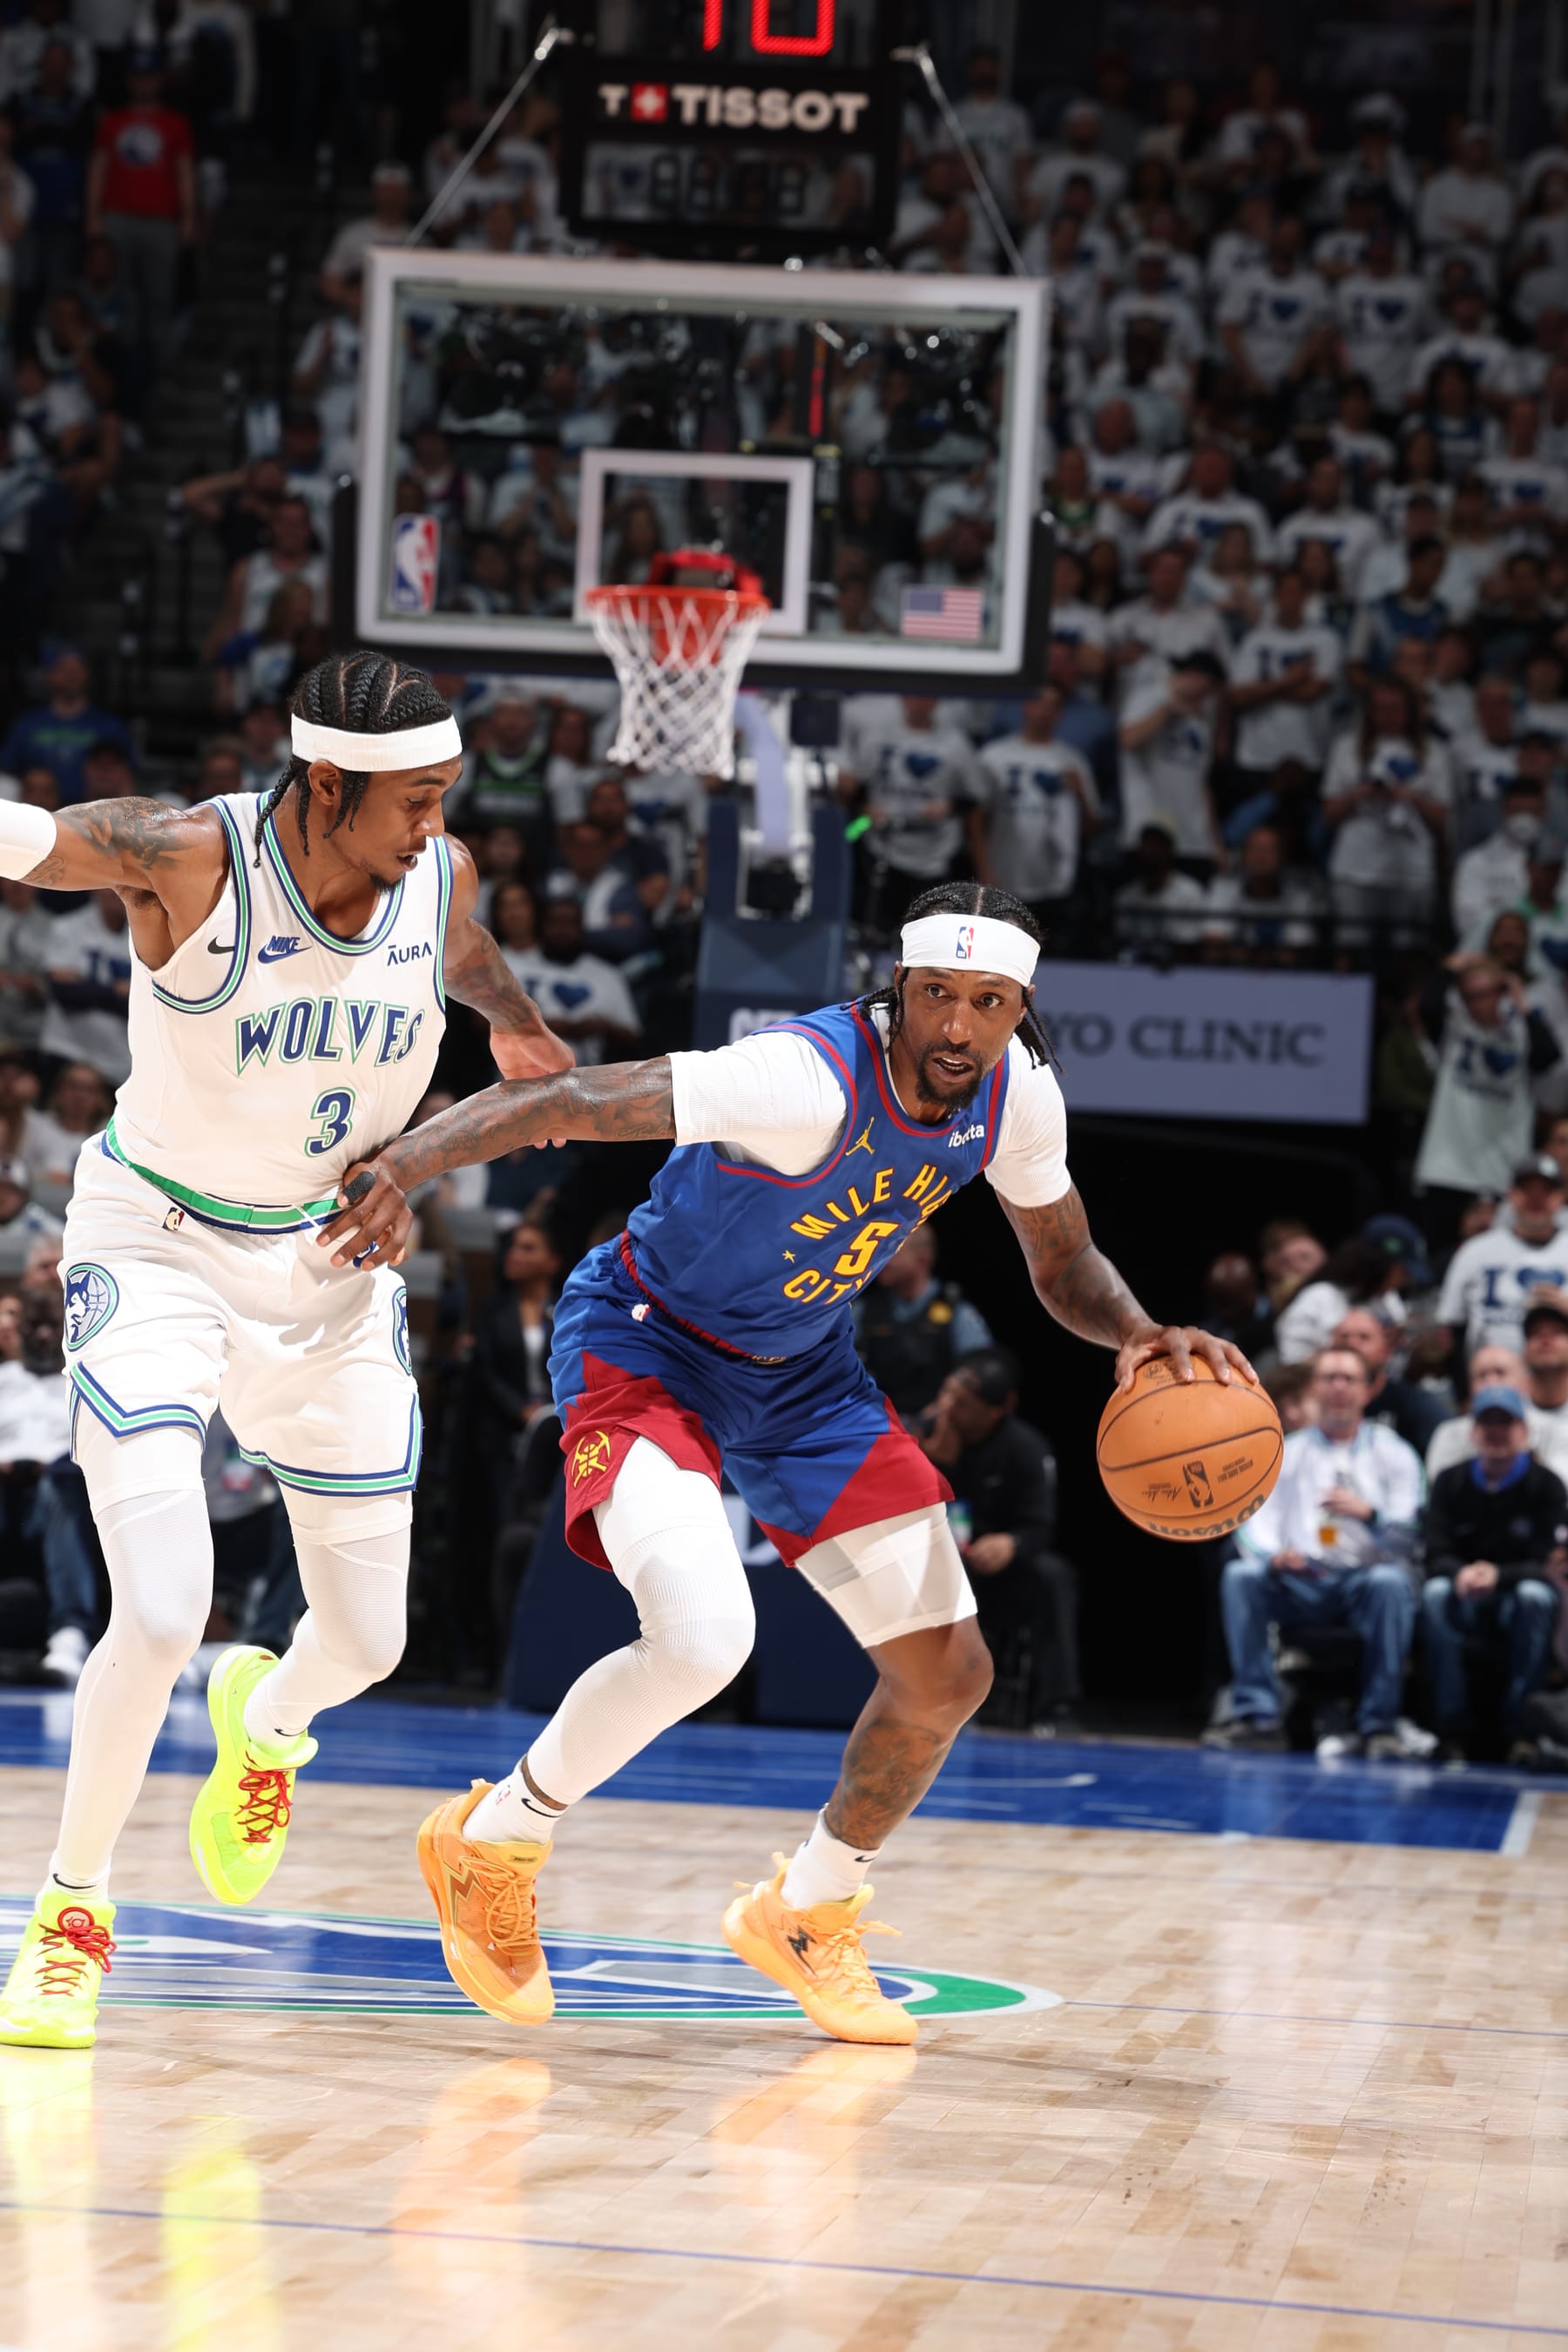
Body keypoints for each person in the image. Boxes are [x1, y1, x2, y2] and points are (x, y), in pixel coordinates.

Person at [331, 881, 1252, 2045]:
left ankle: (809, 1912)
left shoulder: (1019, 1095)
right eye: (938, 998)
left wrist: (1139, 1336)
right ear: (900, 989)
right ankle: (495, 1839)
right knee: (707, 1639)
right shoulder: (801, 1079)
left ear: (1020, 1004)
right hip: (646, 1344)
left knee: (948, 1673)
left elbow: (1062, 1259)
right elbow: (570, 1097)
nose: (961, 1027)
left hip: (803, 1374)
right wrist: (402, 1169)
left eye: (989, 1002)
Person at [0, 650, 571, 2051]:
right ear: (326, 783)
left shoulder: (435, 879)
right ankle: (72, 1915)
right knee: (158, 1606)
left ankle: (270, 1723)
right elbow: (34, 843)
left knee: (367, 1641)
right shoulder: (192, 858)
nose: (438, 827)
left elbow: (471, 963)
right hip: (159, 1246)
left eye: (448, 799)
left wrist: (514, 1036)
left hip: (328, 1267)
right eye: (417, 801)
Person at [1209, 1346, 1425, 1756]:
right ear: (1313, 1388)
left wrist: (1371, 1515)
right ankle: (1259, 1717)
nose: (1338, 1388)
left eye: (1349, 1379)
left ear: (1370, 1388)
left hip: (1362, 1581)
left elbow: (1410, 1532)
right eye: (1329, 1378)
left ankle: (1379, 1724)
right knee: (1241, 1576)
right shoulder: (1284, 1451)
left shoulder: (1395, 1452)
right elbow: (1255, 1521)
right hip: (1300, 1581)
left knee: (1391, 1583)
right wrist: (1274, 1556)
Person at [919, 1348, 1081, 1728]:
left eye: (960, 1403)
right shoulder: (922, 1433)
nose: (945, 1407)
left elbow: (1040, 1526)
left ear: (995, 1410)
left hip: (1000, 1569)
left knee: (1054, 1578)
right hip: (941, 1561)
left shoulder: (1027, 1449)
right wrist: (931, 1464)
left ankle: (1058, 1708)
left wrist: (1012, 1544)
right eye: (945, 1394)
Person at [1421, 1383, 1564, 1757]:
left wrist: (1499, 1575)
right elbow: (1435, 1551)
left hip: (1516, 1592)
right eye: (1488, 1422)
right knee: (1435, 1593)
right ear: (1473, 1432)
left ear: (1524, 1432)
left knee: (1536, 1596)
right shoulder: (1450, 1482)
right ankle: (1450, 1727)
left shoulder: (1547, 1485)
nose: (1497, 1431)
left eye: (1506, 1422)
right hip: (1463, 1590)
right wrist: (1461, 1574)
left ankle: (1522, 1729)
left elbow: (1547, 1560)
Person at [853, 1220, 992, 1422]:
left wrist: (939, 1413)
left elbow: (981, 1373)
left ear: (922, 1259)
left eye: (893, 1252)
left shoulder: (957, 1312)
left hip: (941, 1426)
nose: (882, 1260)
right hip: (874, 1425)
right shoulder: (862, 1310)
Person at [1437, 1154, 1568, 1357]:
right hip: (1493, 1380)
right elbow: (1450, 1330)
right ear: (1512, 1194)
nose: (1536, 1199)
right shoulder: (1475, 1251)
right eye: (1528, 1190)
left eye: (1546, 1191)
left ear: (1562, 1196)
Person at [0, 645, 132, 804]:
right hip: (36, 816)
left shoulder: (110, 726)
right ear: (48, 675)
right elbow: (6, 778)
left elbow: (126, 782)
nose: (72, 675)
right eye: (64, 668)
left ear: (87, 674)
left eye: (78, 668)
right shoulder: (26, 725)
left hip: (91, 818)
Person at [1331, 1307, 1449, 1458]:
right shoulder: (1311, 1405)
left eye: (1364, 1337)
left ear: (1385, 1351)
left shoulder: (1415, 1404)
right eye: (1344, 1337)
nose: (1353, 1344)